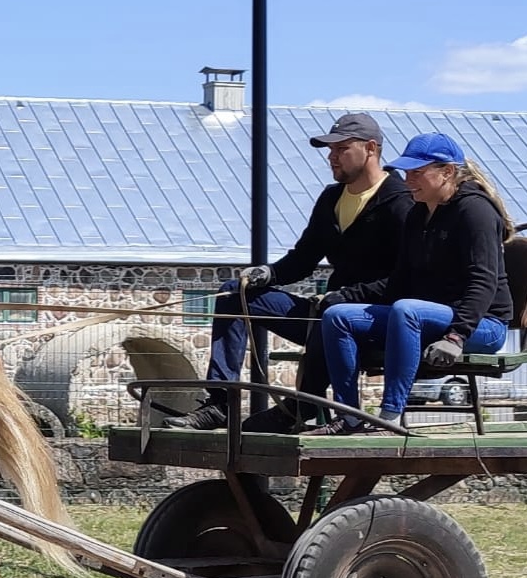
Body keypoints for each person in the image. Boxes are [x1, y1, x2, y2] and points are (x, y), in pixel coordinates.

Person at [165, 112, 414, 432]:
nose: (331, 156)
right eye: (330, 149)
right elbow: (303, 259)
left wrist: (347, 296)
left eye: (341, 148)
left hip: (372, 318)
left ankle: (303, 407)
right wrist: (266, 274)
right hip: (326, 310)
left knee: (333, 314)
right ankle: (220, 404)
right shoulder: (331, 198)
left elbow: (406, 277)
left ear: (370, 148)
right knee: (234, 294)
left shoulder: (401, 202)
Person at [307, 132, 513, 435]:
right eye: (406, 172)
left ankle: (389, 416)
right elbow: (401, 279)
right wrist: (354, 302)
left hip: (482, 324)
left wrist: (456, 337)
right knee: (339, 317)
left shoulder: (475, 211)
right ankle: (348, 417)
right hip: (427, 317)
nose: (407, 180)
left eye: (417, 172)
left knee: (407, 310)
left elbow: (482, 280)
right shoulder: (418, 213)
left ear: (447, 172)